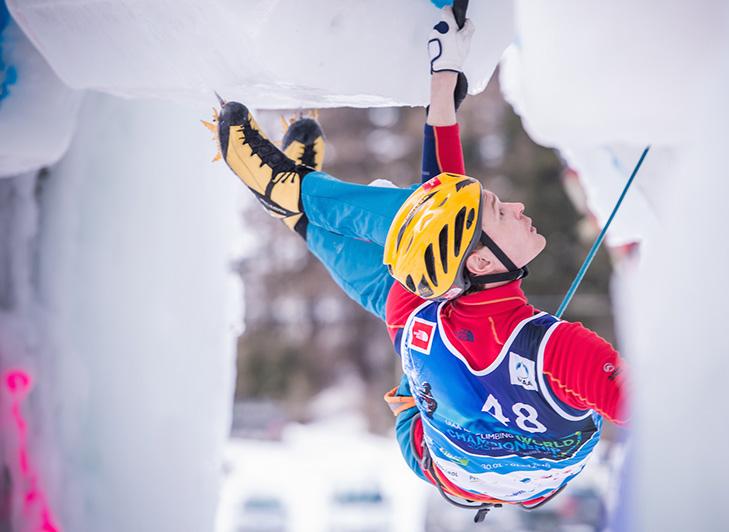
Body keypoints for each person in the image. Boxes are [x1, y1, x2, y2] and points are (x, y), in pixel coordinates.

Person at [209, 6, 627, 522]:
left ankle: (293, 191)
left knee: (411, 257)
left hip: (429, 446)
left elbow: (441, 199)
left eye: (500, 209)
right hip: (448, 447)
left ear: (478, 258)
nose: (519, 208)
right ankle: (295, 204)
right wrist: (441, 86)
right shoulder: (504, 332)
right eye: (503, 209)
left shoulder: (446, 321)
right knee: (407, 263)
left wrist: (442, 82)